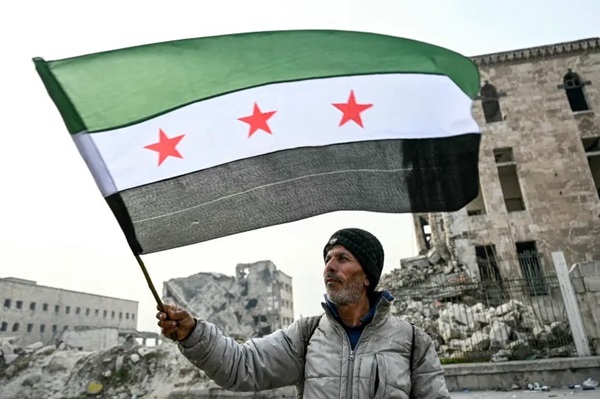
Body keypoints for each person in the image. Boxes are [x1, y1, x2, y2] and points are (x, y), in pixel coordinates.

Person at [156, 228, 450, 399]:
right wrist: (193, 333)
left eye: (342, 259)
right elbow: (241, 366)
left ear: (368, 276)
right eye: (327, 259)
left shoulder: (413, 343)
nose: (329, 267)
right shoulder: (306, 336)